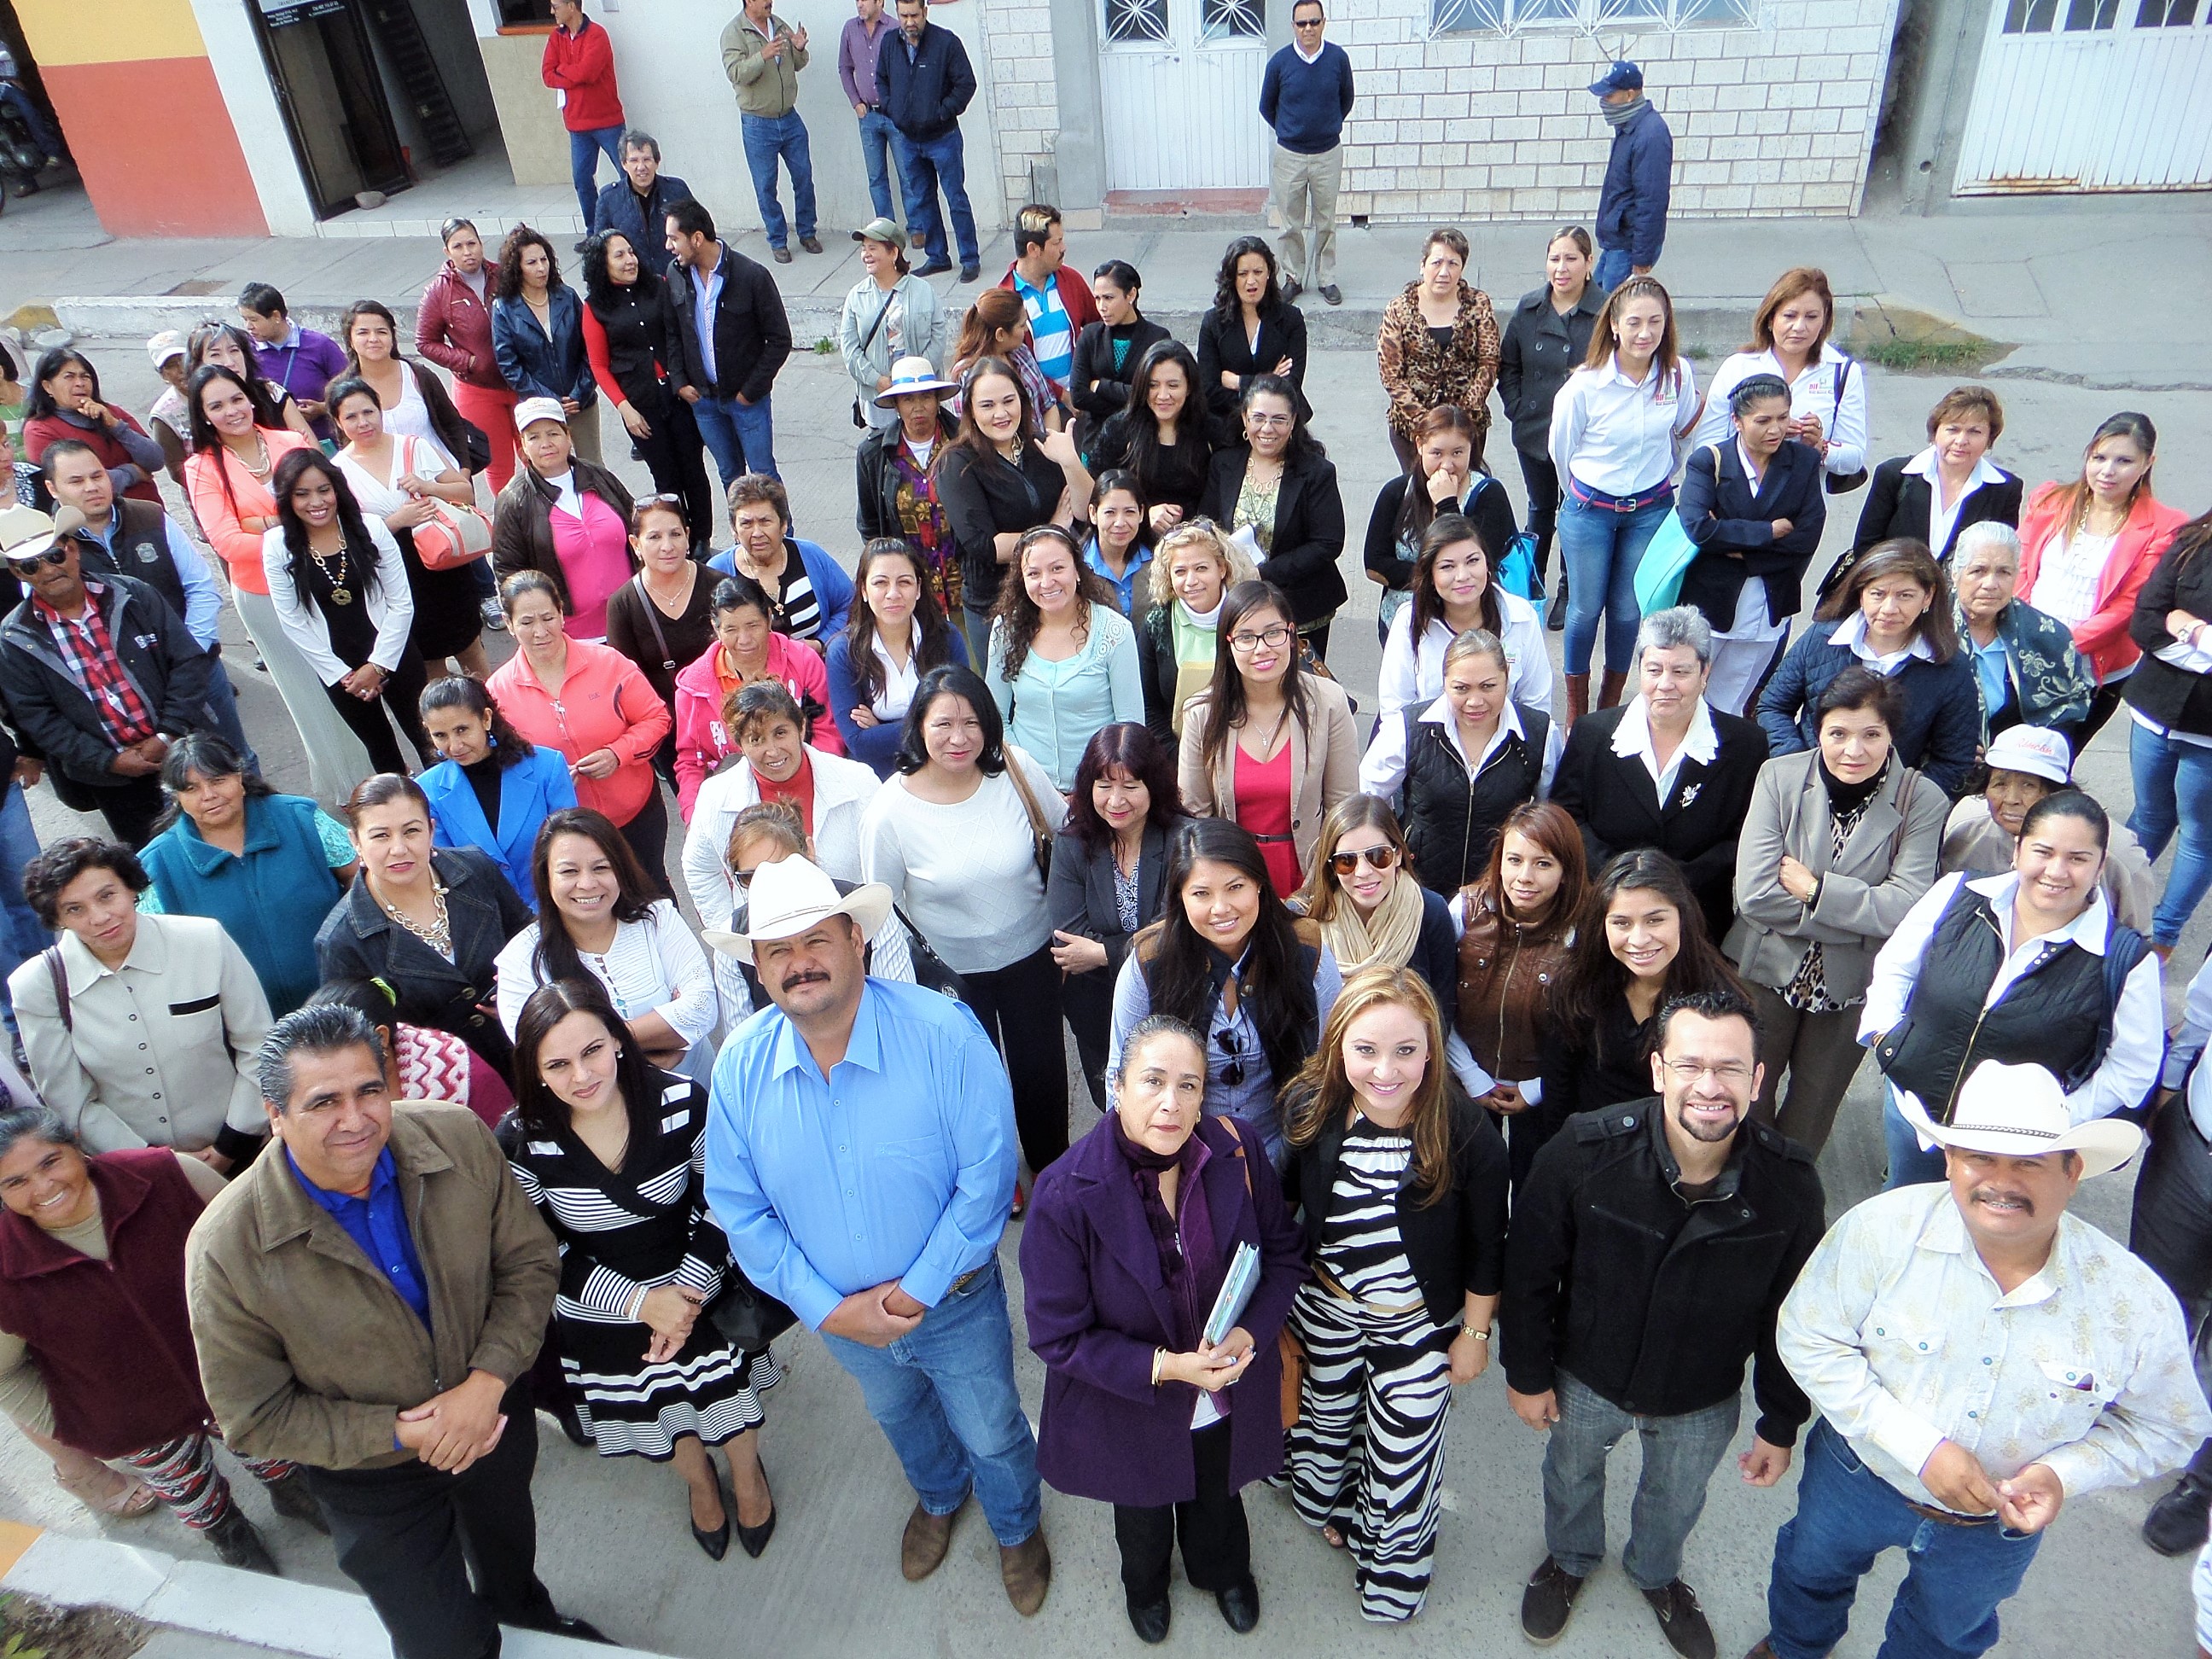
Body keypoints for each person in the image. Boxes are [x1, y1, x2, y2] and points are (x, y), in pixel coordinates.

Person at [185, 1004, 605, 1659]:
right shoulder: (224, 1249)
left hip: (492, 1421)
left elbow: (528, 1264)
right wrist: (407, 1431)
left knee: (509, 1554)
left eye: (369, 1090)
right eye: (324, 1102)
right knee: (439, 1641)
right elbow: (254, 1416)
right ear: (275, 1115)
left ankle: (525, 1611)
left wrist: (486, 1384)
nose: (355, 1119)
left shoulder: (456, 1137)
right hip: (370, 1476)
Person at [1754, 1062, 2208, 1659]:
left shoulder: (2133, 1303)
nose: (2001, 1181)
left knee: (1944, 1637)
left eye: (2029, 1163)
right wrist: (1921, 1448)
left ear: (2072, 1171)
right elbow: (1808, 1336)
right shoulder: (1878, 1233)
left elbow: (2169, 1427)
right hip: (1857, 1476)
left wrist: (2064, 1474)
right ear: (1949, 1161)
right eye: (1981, 1157)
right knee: (1809, 1574)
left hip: (1995, 1527)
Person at [707, 850, 1051, 1606]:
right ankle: (940, 1495)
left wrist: (913, 1294)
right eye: (778, 950)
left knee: (991, 1426)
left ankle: (1016, 1524)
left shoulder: (944, 1034)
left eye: (816, 939)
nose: (799, 963)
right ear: (758, 969)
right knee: (898, 1415)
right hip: (839, 1320)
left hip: (952, 1302)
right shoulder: (738, 1067)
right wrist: (829, 1311)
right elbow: (739, 1208)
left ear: (856, 940)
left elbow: (987, 1179)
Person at [1505, 986, 1823, 1656]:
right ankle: (1569, 1558)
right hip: (1586, 1376)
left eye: (1730, 1068)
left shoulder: (1790, 1185)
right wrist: (1528, 1373)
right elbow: (1530, 1269)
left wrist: (1781, 1419)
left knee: (1676, 1498)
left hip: (1701, 1395)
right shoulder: (1582, 1152)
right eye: (1690, 1065)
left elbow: (1791, 1315)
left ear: (1758, 1080)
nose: (1709, 1086)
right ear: (1658, 1070)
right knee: (1570, 1475)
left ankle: (1656, 1573)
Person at [1023, 1013, 1302, 1641]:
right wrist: (1168, 1367)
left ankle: (1223, 1571)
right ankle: (1145, 1587)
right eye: (1152, 1081)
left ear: (1205, 1096)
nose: (1171, 1103)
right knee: (1142, 1514)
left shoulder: (1236, 1149)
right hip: (1131, 1402)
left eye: (1189, 1085)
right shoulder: (1065, 1194)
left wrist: (1251, 1334)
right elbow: (1057, 1334)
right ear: (1117, 1086)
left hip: (1222, 1392)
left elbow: (1284, 1255)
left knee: (1219, 1495)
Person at [500, 978, 778, 1558]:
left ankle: (747, 1475)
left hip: (699, 1287)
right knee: (659, 1412)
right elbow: (538, 1252)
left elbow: (724, 1201)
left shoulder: (683, 1101)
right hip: (603, 1314)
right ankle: (700, 1484)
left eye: (592, 1051)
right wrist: (642, 1304)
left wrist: (685, 1296)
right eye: (557, 1065)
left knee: (727, 1399)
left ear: (618, 1040)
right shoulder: (522, 1141)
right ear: (535, 1071)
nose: (582, 1076)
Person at [1279, 966, 1505, 1620]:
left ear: (1432, 1048)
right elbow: (1286, 1209)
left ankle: (1391, 1583)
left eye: (1406, 1050)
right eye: (1366, 1049)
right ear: (1338, 1046)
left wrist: (1474, 1334)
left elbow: (1489, 1245)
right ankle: (1333, 1509)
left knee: (1403, 1456)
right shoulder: (1311, 1106)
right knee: (1328, 1422)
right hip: (1324, 1309)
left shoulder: (1466, 1131)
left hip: (1416, 1326)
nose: (1385, 1071)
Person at [0, 1106, 317, 1573]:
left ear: (78, 1148)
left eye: (50, 1162)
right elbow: (5, 1374)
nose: (43, 1187)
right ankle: (226, 1530)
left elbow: (257, 1244)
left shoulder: (166, 1175)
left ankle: (292, 1491)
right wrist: (77, 1422)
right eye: (16, 1182)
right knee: (188, 1488)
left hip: (233, 1377)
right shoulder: (5, 1269)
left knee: (272, 1450)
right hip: (136, 1422)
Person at [1863, 788, 2163, 1188]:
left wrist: (2051, 1119)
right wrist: (1886, 1036)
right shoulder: (1957, 894)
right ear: (2018, 850)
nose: (2057, 871)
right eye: (2043, 852)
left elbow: (2132, 1069)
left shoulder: (2126, 959)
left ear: (2100, 866)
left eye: (2077, 858)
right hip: (1914, 1112)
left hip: (2017, 1152)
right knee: (1904, 1206)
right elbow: (1896, 967)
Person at [860, 664, 1068, 1184]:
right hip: (951, 973)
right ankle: (994, 1176)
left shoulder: (1016, 771)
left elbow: (1068, 835)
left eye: (972, 723)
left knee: (1042, 1074)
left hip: (1033, 957)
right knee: (972, 1083)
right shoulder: (889, 810)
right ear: (918, 726)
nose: (959, 738)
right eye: (944, 724)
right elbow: (878, 909)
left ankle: (1052, 1173)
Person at [1726, 668, 1947, 1156]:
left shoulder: (1922, 800)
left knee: (1813, 1108)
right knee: (1746, 1092)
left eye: (1871, 735)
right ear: (1818, 731)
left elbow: (1906, 907)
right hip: (1765, 971)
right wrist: (1860, 919)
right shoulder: (1779, 778)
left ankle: (1788, 1189)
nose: (1854, 750)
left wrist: (1814, 890)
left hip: (1850, 987)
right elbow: (1756, 894)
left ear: (1892, 735)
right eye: (1838, 734)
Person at [9, 836, 271, 1166]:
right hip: (137, 1173)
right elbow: (71, 1103)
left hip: (250, 1148)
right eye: (75, 909)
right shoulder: (36, 986)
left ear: (131, 887)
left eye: (107, 896)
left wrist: (232, 1145)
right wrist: (157, 1165)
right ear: (57, 918)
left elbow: (259, 1043)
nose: (99, 917)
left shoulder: (204, 940)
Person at [183, 365, 372, 804]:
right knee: (310, 695)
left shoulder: (289, 442)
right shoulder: (202, 467)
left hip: (324, 582)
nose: (232, 411)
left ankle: (375, 771)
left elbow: (336, 504)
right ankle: (348, 791)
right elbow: (227, 541)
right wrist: (295, 531)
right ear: (204, 415)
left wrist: (262, 523)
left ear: (251, 397)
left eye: (236, 398)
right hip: (264, 595)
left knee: (346, 680)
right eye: (217, 405)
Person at [1109, 817, 1342, 1164]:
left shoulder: (1307, 949)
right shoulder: (1149, 962)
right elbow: (1120, 1074)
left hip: (1286, 1153)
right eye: (1201, 893)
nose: (1221, 908)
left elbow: (1333, 1060)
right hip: (1184, 1159)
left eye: (1235, 887)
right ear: (1180, 897)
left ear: (1259, 883)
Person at [1551, 607, 1769, 945]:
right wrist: (1624, 877)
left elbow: (1749, 834)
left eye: (1681, 671)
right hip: (1607, 912)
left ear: (1705, 672)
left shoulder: (1745, 744)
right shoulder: (1592, 733)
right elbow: (1566, 818)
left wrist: (1672, 883)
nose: (1665, 684)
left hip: (1699, 920)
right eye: (1654, 670)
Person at [1532, 848, 1748, 1178]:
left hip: (1675, 1162)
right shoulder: (1577, 983)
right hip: (1591, 1151)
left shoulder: (1719, 1002)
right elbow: (1559, 1084)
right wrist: (1567, 1158)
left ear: (1682, 917)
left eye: (1655, 920)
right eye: (1622, 922)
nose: (1639, 939)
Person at [0, 514, 214, 847]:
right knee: (152, 861)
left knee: (224, 835)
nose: (48, 569)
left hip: (185, 751)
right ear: (17, 573)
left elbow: (187, 661)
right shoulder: (15, 636)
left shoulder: (133, 594)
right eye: (31, 565)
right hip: (112, 781)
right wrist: (109, 761)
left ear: (73, 550)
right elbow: (37, 717)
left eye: (54, 555)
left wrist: (167, 732)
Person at [1549, 275, 1701, 723]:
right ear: (1614, 326)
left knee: (1628, 611)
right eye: (1634, 323)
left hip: (1649, 510)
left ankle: (1610, 708)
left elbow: (1684, 431)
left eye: (1655, 322)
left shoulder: (1677, 374)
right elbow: (1561, 451)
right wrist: (1582, 494)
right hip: (1590, 510)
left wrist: (1665, 475)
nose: (1645, 333)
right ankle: (1577, 714)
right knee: (1584, 610)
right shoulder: (1585, 386)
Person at [317, 771, 533, 1083]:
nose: (399, 848)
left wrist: (522, 995)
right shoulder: (342, 940)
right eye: (380, 836)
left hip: (529, 1051)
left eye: (411, 831)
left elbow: (529, 938)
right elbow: (355, 1044)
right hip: (442, 1088)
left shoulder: (475, 869)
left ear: (431, 830)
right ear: (356, 842)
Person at [43, 441, 249, 763]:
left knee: (234, 762)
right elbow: (52, 628)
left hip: (197, 671)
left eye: (97, 476)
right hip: (123, 694)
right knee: (169, 778)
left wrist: (188, 655)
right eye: (76, 481)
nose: (92, 487)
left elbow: (201, 588)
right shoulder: (49, 549)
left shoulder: (150, 516)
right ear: (52, 489)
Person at [138, 733, 353, 1020]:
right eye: (191, 789)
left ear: (239, 775)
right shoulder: (158, 865)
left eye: (218, 781)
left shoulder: (301, 818)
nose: (208, 795)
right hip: (245, 1026)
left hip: (343, 1002)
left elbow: (362, 877)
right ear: (176, 796)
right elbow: (150, 952)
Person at [495, 808, 719, 1081]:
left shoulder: (658, 918)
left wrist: (595, 1045)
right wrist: (658, 1039)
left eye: (601, 868)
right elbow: (542, 1054)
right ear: (546, 877)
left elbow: (702, 1008)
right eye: (569, 871)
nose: (587, 884)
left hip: (699, 1088)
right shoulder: (520, 960)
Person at [488, 572, 672, 884]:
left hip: (635, 814)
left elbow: (656, 718)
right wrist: (548, 778)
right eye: (526, 622)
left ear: (562, 613)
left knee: (651, 890)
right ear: (509, 624)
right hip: (566, 832)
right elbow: (502, 767)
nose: (540, 632)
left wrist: (618, 754)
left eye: (548, 618)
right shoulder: (497, 692)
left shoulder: (609, 662)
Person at [1759, 538, 1982, 795]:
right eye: (1878, 594)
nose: (1889, 608)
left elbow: (1953, 759)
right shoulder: (1821, 639)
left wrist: (1906, 800)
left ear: (1928, 596)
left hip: (1892, 801)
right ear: (1861, 593)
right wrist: (1799, 769)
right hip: (1806, 789)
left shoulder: (1949, 666)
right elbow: (1773, 706)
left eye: (1905, 596)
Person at [2017, 410, 2188, 743]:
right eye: (2099, 458)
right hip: (2023, 652)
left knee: (2052, 762)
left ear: (2148, 463)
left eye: (2124, 461)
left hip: (2095, 670)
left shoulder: (2165, 525)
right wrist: (2022, 635)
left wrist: (2059, 647)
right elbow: (2021, 570)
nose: (2108, 471)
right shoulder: (2050, 500)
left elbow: (2130, 605)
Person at [1179, 579, 1358, 895]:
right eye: (1246, 637)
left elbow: (1343, 809)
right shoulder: (1201, 713)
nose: (1262, 648)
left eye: (1274, 633)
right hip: (1231, 878)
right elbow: (1195, 815)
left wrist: (1317, 887)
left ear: (1292, 634)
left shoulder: (1329, 702)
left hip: (1311, 876)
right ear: (1228, 644)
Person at [264, 449, 430, 777]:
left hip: (394, 653)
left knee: (427, 738)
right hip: (340, 672)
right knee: (381, 752)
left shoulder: (371, 529)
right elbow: (293, 621)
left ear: (337, 489)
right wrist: (344, 675)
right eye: (302, 494)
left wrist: (378, 665)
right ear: (287, 498)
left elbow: (401, 603)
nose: (316, 502)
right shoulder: (276, 546)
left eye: (324, 490)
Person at [682, 678, 882, 947]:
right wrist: (733, 935)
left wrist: (874, 929)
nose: (773, 751)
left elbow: (885, 867)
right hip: (768, 947)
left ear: (801, 727)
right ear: (740, 745)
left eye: (780, 733)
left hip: (856, 939)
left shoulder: (859, 781)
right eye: (756, 739)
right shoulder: (715, 797)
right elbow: (699, 869)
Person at [1047, 723, 1187, 1108]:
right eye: (1104, 785)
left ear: (1153, 785)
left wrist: (1100, 953)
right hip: (1097, 1007)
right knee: (1113, 1106)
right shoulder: (1072, 844)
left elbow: (1177, 932)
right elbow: (1068, 935)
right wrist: (1141, 944)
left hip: (1171, 997)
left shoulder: (1184, 839)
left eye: (1130, 786)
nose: (1116, 800)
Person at [1359, 626, 1557, 898]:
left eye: (1488, 686)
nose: (1475, 701)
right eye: (1461, 688)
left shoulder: (1540, 734)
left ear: (1507, 677)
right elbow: (1366, 801)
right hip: (1418, 890)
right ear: (1444, 682)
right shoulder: (1407, 728)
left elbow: (1552, 815)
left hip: (1501, 894)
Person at [1451, 801, 1588, 1185]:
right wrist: (1471, 1077)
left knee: (1535, 1188)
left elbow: (1588, 1031)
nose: (1524, 877)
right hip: (1464, 1079)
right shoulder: (1465, 910)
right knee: (1470, 1188)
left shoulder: (1583, 932)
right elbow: (1436, 1007)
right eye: (1514, 860)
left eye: (1543, 864)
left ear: (1566, 872)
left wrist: (1536, 1089)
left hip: (1545, 1089)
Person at [1676, 372, 1829, 716]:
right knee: (1682, 698)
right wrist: (1768, 532)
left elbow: (1806, 536)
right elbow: (1699, 529)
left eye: (1783, 418)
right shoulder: (1708, 461)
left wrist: (1736, 548)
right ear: (1737, 421)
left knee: (1728, 706)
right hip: (1709, 604)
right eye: (1763, 421)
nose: (1775, 429)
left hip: (1767, 607)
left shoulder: (1803, 461)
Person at [328, 376, 489, 682]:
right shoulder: (338, 471)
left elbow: (465, 492)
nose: (363, 422)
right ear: (338, 422)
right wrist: (396, 521)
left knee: (470, 646)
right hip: (396, 569)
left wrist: (429, 487)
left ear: (379, 411)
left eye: (368, 412)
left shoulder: (413, 446)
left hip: (444, 561)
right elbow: (348, 538)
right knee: (429, 660)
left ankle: (489, 707)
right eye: (351, 417)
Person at [936, 357, 1091, 664]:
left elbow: (1087, 512)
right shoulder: (956, 463)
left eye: (1009, 401)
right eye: (987, 405)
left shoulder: (1041, 445)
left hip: (1055, 596)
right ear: (970, 410)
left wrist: (1071, 462)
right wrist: (1053, 531)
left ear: (1023, 400)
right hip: (995, 607)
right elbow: (985, 545)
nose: (1001, 413)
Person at [2134, 956, 2212, 1558]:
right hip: (2195, 1141)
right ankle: (2135, 1407)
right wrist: (2171, 1084)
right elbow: (2206, 1004)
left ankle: (2204, 1485)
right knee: (2153, 1296)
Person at [1940, 722, 2153, 928]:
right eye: (2000, 784)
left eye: (2029, 785)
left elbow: (2135, 935)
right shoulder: (1966, 825)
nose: (2011, 799)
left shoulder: (2118, 852)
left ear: (2057, 792)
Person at [579, 230, 715, 553]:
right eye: (619, 255)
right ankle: (677, 539)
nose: (630, 260)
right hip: (640, 404)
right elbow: (599, 365)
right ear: (602, 263)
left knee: (693, 470)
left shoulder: (658, 285)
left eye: (631, 252)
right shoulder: (595, 307)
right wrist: (624, 408)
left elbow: (678, 335)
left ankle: (702, 538)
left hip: (677, 395)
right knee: (666, 478)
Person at [1690, 267, 1871, 505]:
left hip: (1802, 508)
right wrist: (1760, 434)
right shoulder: (1739, 367)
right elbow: (1706, 448)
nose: (1799, 327)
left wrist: (1819, 447)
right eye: (1790, 316)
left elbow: (1854, 459)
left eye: (1811, 317)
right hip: (1735, 503)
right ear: (1770, 318)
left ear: (1825, 321)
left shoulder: (1843, 372)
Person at [985, 525, 1143, 791]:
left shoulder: (1115, 632)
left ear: (1077, 570)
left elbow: (1130, 728)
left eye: (1057, 568)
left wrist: (1095, 788)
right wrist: (1029, 778)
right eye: (1034, 573)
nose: (1047, 582)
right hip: (1024, 785)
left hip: (1098, 789)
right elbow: (995, 716)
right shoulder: (1006, 630)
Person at [1499, 226, 1605, 617]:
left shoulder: (1606, 312)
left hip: (1585, 436)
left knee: (1575, 512)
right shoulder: (1529, 308)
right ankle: (1533, 586)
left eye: (1571, 258)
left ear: (1589, 263)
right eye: (1554, 258)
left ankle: (1568, 589)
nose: (1562, 268)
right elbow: (1508, 366)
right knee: (1540, 510)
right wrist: (1518, 408)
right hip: (1535, 432)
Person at [674, 573, 841, 817]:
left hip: (805, 786)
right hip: (734, 805)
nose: (744, 640)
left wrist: (815, 789)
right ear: (716, 629)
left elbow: (827, 731)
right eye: (731, 629)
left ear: (769, 619)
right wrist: (694, 816)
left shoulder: (804, 662)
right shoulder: (692, 689)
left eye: (753, 625)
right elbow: (692, 761)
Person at [1200, 379, 1345, 657]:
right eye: (1259, 418)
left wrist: (1262, 574)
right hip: (1236, 603)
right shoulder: (1224, 463)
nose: (1267, 429)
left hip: (1300, 607)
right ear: (1245, 418)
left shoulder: (1317, 472)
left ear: (1293, 422)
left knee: (1296, 681)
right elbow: (1209, 525)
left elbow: (1327, 543)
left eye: (1279, 420)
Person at [416, 675, 579, 912]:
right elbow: (448, 872)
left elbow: (571, 846)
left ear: (486, 718)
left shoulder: (548, 767)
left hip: (556, 908)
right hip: (487, 918)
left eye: (462, 730)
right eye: (440, 735)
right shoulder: (426, 790)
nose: (455, 745)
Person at [1360, 405, 1519, 646]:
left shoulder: (1489, 494)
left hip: (1472, 627)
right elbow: (1375, 564)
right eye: (1437, 453)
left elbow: (1482, 561)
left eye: (1457, 453)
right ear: (1419, 446)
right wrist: (1437, 578)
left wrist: (1447, 505)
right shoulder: (1396, 492)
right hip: (1405, 623)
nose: (1447, 465)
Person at [2126, 507, 2212, 952]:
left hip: (2208, 737)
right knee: (2149, 816)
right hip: (2154, 712)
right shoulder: (2192, 542)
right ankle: (2105, 907)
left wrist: (2191, 630)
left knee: (2200, 835)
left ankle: (2162, 934)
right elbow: (2145, 622)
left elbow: (2167, 625)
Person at [1375, 510, 1551, 720]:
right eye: (1447, 566)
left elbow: (1536, 706)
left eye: (1472, 561)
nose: (1463, 576)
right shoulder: (1409, 621)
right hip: (1427, 739)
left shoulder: (1521, 617)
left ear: (1487, 565)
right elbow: (1395, 712)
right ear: (1430, 576)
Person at [665, 199, 793, 486]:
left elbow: (780, 339)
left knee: (763, 477)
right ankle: (740, 520)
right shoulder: (675, 273)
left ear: (697, 239)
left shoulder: (752, 276)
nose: (668, 246)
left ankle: (779, 521)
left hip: (747, 400)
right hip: (703, 401)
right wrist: (680, 381)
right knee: (729, 475)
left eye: (674, 238)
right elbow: (672, 332)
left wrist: (750, 392)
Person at [492, 396, 637, 643]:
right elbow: (510, 573)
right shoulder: (514, 501)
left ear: (568, 436)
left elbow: (638, 526)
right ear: (522, 446)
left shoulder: (599, 476)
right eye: (534, 437)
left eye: (553, 433)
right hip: (573, 636)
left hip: (632, 621)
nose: (546, 444)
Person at [1847, 381, 2023, 575]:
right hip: (1896, 589)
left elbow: (2001, 556)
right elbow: (1866, 547)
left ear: (1989, 439)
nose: (1961, 441)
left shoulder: (2006, 490)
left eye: (1975, 432)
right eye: (1953, 429)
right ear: (1935, 433)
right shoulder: (1894, 475)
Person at [828, 538, 969, 777]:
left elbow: (964, 714)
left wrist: (883, 730)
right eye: (880, 583)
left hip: (944, 766)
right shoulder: (843, 651)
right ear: (863, 590)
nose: (893, 594)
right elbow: (859, 743)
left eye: (904, 582)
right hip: (882, 775)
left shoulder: (946, 637)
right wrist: (935, 723)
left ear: (918, 588)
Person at [603, 495, 715, 789]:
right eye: (654, 537)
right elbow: (627, 682)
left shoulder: (719, 586)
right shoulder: (623, 605)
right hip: (671, 732)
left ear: (687, 536)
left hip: (726, 719)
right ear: (635, 544)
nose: (667, 546)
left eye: (675, 534)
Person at [1952, 521, 2094, 742]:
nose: (1991, 584)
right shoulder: (1928, 630)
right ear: (1956, 573)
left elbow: (2068, 708)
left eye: (2004, 572)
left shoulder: (2047, 636)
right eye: (1978, 571)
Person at [306, 977, 512, 1130]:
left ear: (381, 1038)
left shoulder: (462, 1074)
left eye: (338, 1049)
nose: (352, 1122)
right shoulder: (302, 1074)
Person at [416, 218, 523, 499]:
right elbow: (424, 342)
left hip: (522, 380)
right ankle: (510, 514)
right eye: (458, 246)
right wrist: (466, 361)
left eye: (472, 243)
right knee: (500, 465)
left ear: (481, 243)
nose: (467, 252)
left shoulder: (504, 275)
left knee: (536, 452)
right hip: (478, 390)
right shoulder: (439, 291)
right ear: (447, 252)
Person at [1377, 229, 1502, 470]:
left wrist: (1459, 419)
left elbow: (1489, 363)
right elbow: (1391, 375)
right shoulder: (1398, 309)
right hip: (1412, 429)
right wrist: (1427, 424)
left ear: (1462, 268)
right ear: (1422, 266)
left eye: (1453, 263)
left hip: (1467, 426)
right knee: (1418, 490)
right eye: (1437, 263)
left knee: (1463, 487)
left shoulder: (1479, 304)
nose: (1444, 272)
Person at [876, 0, 981, 282]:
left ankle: (969, 258)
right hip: (908, 140)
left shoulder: (946, 43)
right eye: (904, 16)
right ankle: (937, 256)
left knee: (955, 198)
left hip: (943, 138)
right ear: (897, 14)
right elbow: (881, 81)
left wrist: (941, 112)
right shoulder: (890, 43)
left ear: (925, 12)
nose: (909, 21)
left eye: (914, 15)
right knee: (923, 198)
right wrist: (893, 110)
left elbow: (966, 84)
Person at [1259, 0, 1353, 307]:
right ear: (1293, 26)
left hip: (1327, 154)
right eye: (1302, 23)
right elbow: (1267, 105)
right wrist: (1291, 131)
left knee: (1326, 221)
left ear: (1323, 23)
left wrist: (1326, 127)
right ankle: (1293, 277)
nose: (1308, 28)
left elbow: (1346, 99)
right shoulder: (1279, 63)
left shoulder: (1338, 59)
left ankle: (1327, 278)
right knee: (1290, 224)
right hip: (1290, 156)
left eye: (1314, 21)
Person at [854, 357, 963, 615]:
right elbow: (870, 525)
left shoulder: (964, 442)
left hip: (965, 583)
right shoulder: (874, 454)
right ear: (896, 405)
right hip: (912, 591)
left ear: (937, 401)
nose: (918, 407)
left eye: (925, 397)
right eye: (908, 399)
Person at [1135, 521, 1257, 747]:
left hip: (1246, 745)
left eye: (1201, 568)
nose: (1191, 581)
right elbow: (1148, 706)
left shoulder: (1250, 615)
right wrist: (1178, 759)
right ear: (1169, 577)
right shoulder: (1157, 623)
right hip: (1175, 752)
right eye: (1180, 572)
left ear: (1222, 568)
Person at [491, 228, 601, 469]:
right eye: (532, 262)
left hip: (580, 402)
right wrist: (549, 400)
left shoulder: (567, 297)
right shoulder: (504, 308)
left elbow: (591, 348)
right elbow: (509, 365)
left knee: (593, 468)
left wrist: (580, 392)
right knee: (551, 469)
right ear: (517, 268)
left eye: (544, 259)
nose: (541, 268)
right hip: (540, 408)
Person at [707, 473, 855, 649]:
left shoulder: (811, 555)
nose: (757, 533)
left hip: (816, 662)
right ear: (734, 530)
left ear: (783, 524)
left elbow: (850, 606)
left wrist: (820, 643)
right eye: (746, 524)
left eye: (765, 521)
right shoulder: (717, 572)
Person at [722, 0, 819, 265]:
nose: (770, 2)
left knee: (804, 177)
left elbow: (798, 63)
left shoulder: (779, 26)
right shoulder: (734, 33)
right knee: (766, 186)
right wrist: (762, 56)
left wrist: (799, 48)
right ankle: (778, 241)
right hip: (758, 123)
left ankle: (807, 232)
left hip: (789, 117)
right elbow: (735, 73)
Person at [335, 300, 478, 479]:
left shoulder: (420, 376)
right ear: (350, 340)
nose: (373, 339)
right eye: (363, 332)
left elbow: (453, 425)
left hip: (442, 479)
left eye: (381, 332)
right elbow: (347, 445)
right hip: (387, 488)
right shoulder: (342, 390)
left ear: (392, 337)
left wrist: (463, 472)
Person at [1089, 341, 1211, 538]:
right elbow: (1098, 490)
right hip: (1133, 538)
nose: (1163, 395)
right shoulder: (1119, 428)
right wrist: (1144, 514)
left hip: (1195, 538)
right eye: (1153, 385)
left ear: (1189, 387)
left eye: (1173, 385)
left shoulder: (1209, 430)